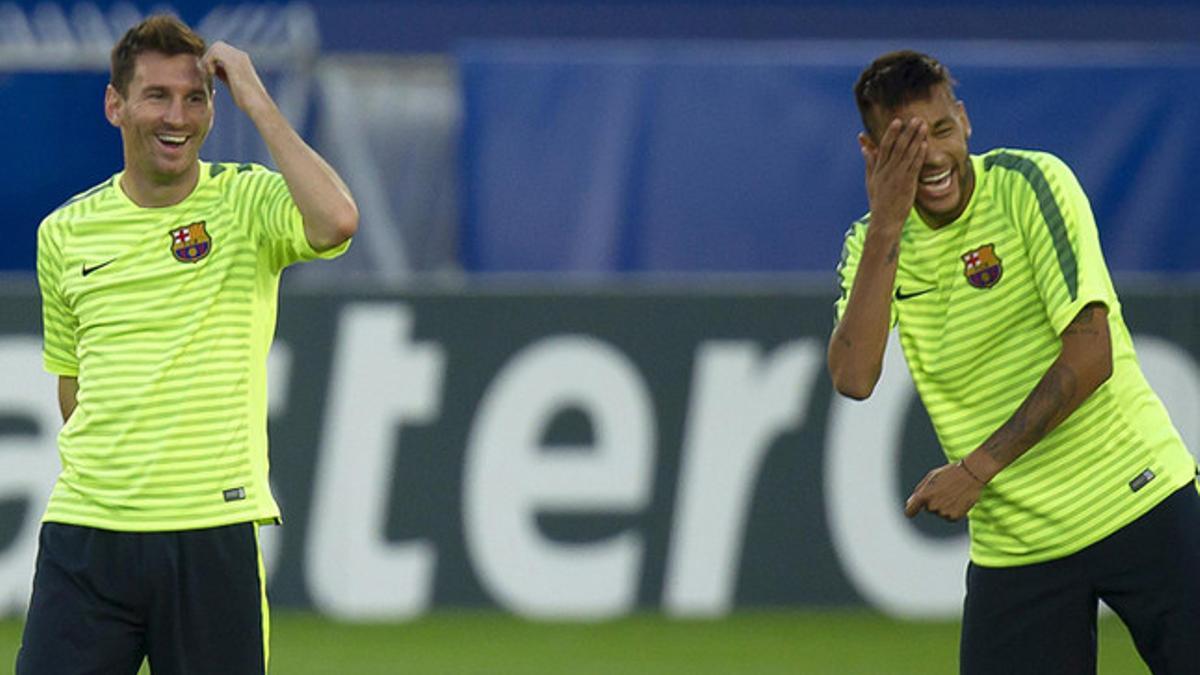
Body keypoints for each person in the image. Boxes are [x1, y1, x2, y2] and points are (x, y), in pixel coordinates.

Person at [828, 50, 1200, 674]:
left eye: (942, 130)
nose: (935, 157)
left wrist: (977, 469)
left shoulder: (1031, 184)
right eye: (908, 144)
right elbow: (854, 377)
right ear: (872, 152)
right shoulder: (870, 244)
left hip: (1136, 499)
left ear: (966, 121)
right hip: (1018, 546)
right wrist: (888, 227)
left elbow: (1090, 354)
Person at [20, 14, 357, 674]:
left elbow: (336, 219)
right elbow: (72, 383)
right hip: (88, 536)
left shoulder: (247, 201)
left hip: (211, 531)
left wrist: (255, 97)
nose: (178, 116)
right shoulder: (63, 233)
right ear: (115, 105)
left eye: (194, 97)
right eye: (157, 96)